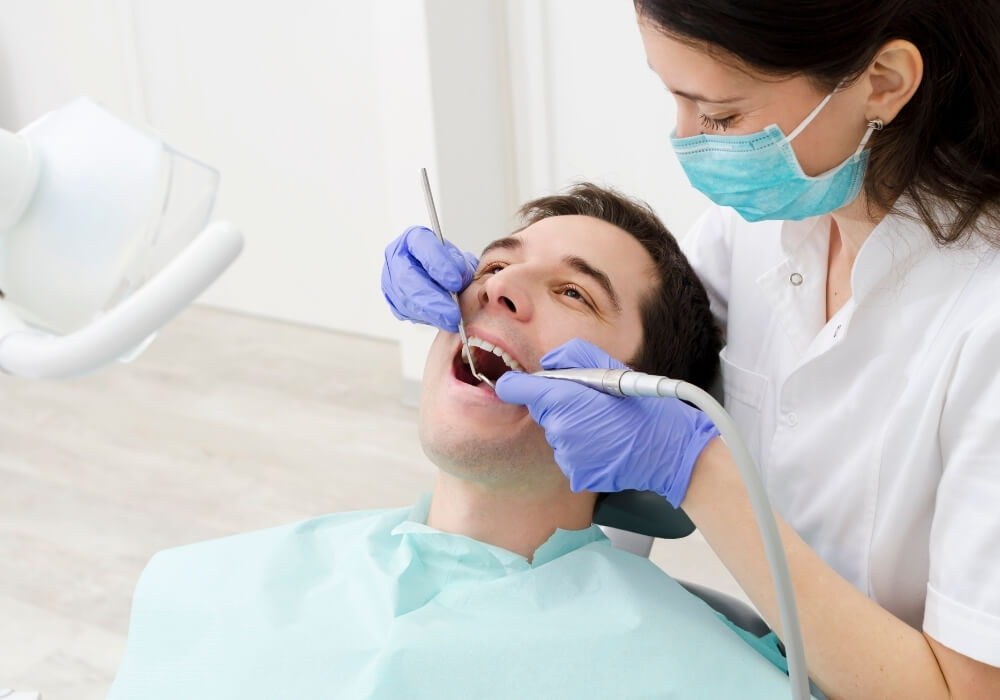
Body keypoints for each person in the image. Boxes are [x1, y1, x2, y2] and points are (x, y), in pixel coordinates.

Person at [380, 2, 1000, 698]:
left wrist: (693, 466)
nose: (683, 137)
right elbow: (645, 360)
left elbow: (965, 691)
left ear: (883, 82)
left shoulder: (985, 322)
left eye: (719, 115)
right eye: (495, 266)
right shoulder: (751, 234)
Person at [108, 184, 802, 700]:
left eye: (574, 294)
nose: (499, 290)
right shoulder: (210, 588)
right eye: (494, 265)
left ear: (639, 400)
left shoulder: (706, 678)